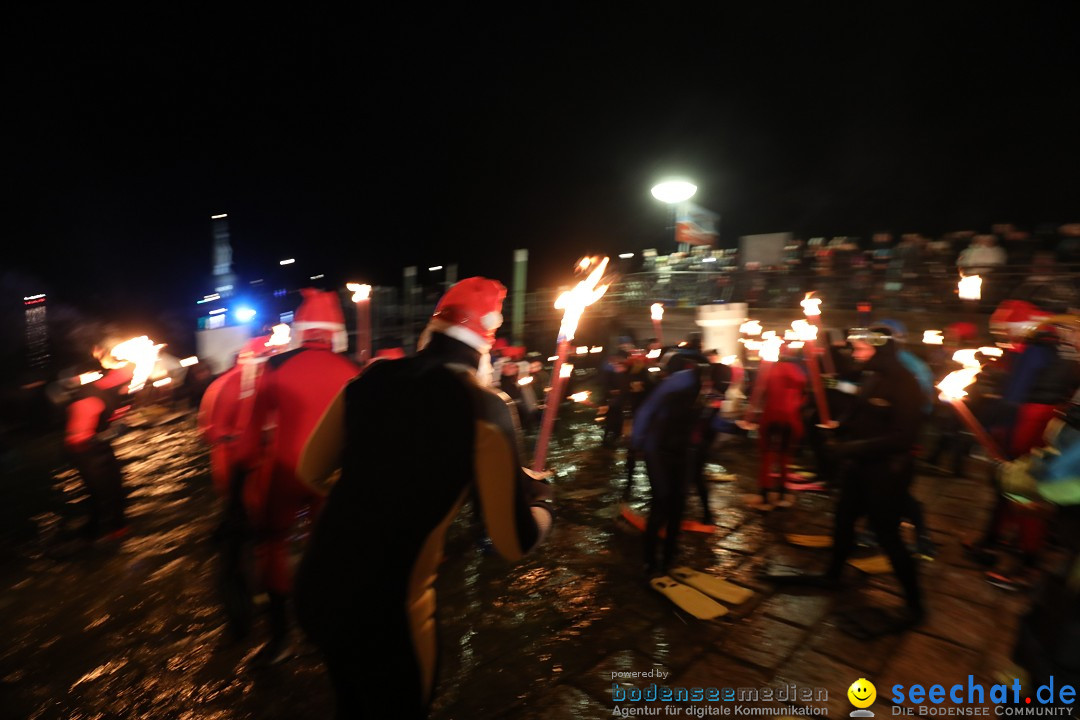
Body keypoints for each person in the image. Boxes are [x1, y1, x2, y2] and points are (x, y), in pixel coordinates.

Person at [292, 277, 553, 719]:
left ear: (430, 333)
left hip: (320, 584)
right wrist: (545, 501)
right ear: (485, 346)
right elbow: (511, 541)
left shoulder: (370, 379)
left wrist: (373, 493)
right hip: (390, 610)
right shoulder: (484, 407)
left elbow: (309, 471)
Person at [769, 325, 926, 637]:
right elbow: (861, 414)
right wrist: (839, 427)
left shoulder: (905, 383)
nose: (855, 353)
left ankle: (915, 604)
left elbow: (902, 436)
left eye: (861, 349)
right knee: (843, 520)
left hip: (887, 472)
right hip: (860, 467)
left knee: (887, 535)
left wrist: (851, 447)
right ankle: (833, 574)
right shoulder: (872, 377)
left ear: (880, 348)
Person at [236, 289, 361, 665]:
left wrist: (243, 471)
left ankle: (280, 638)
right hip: (332, 476)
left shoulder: (274, 367)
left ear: (301, 328)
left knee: (273, 547)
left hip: (285, 470)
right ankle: (324, 629)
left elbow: (249, 431)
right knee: (327, 549)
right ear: (336, 330)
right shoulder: (352, 370)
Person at [197, 334, 282, 640]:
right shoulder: (228, 386)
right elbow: (215, 434)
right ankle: (243, 616)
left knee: (259, 536)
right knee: (244, 538)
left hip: (256, 473)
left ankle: (258, 601)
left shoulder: (259, 381)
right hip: (239, 475)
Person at [631, 351, 707, 575]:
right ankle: (649, 560)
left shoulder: (708, 390)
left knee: (679, 503)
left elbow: (709, 421)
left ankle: (670, 555)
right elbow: (647, 410)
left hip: (682, 449)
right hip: (659, 448)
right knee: (662, 501)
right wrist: (637, 442)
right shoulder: (679, 381)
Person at [64, 340, 135, 543]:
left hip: (99, 447)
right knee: (101, 494)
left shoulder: (111, 389)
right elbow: (77, 439)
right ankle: (93, 538)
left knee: (116, 489)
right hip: (85, 452)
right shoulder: (89, 397)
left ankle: (118, 531)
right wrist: (110, 434)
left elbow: (125, 374)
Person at [748, 343, 807, 510]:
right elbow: (804, 395)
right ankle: (782, 492)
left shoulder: (769, 370)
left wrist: (752, 416)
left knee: (767, 454)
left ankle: (765, 494)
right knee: (785, 455)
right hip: (792, 419)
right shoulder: (798, 372)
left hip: (771, 416)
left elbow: (759, 392)